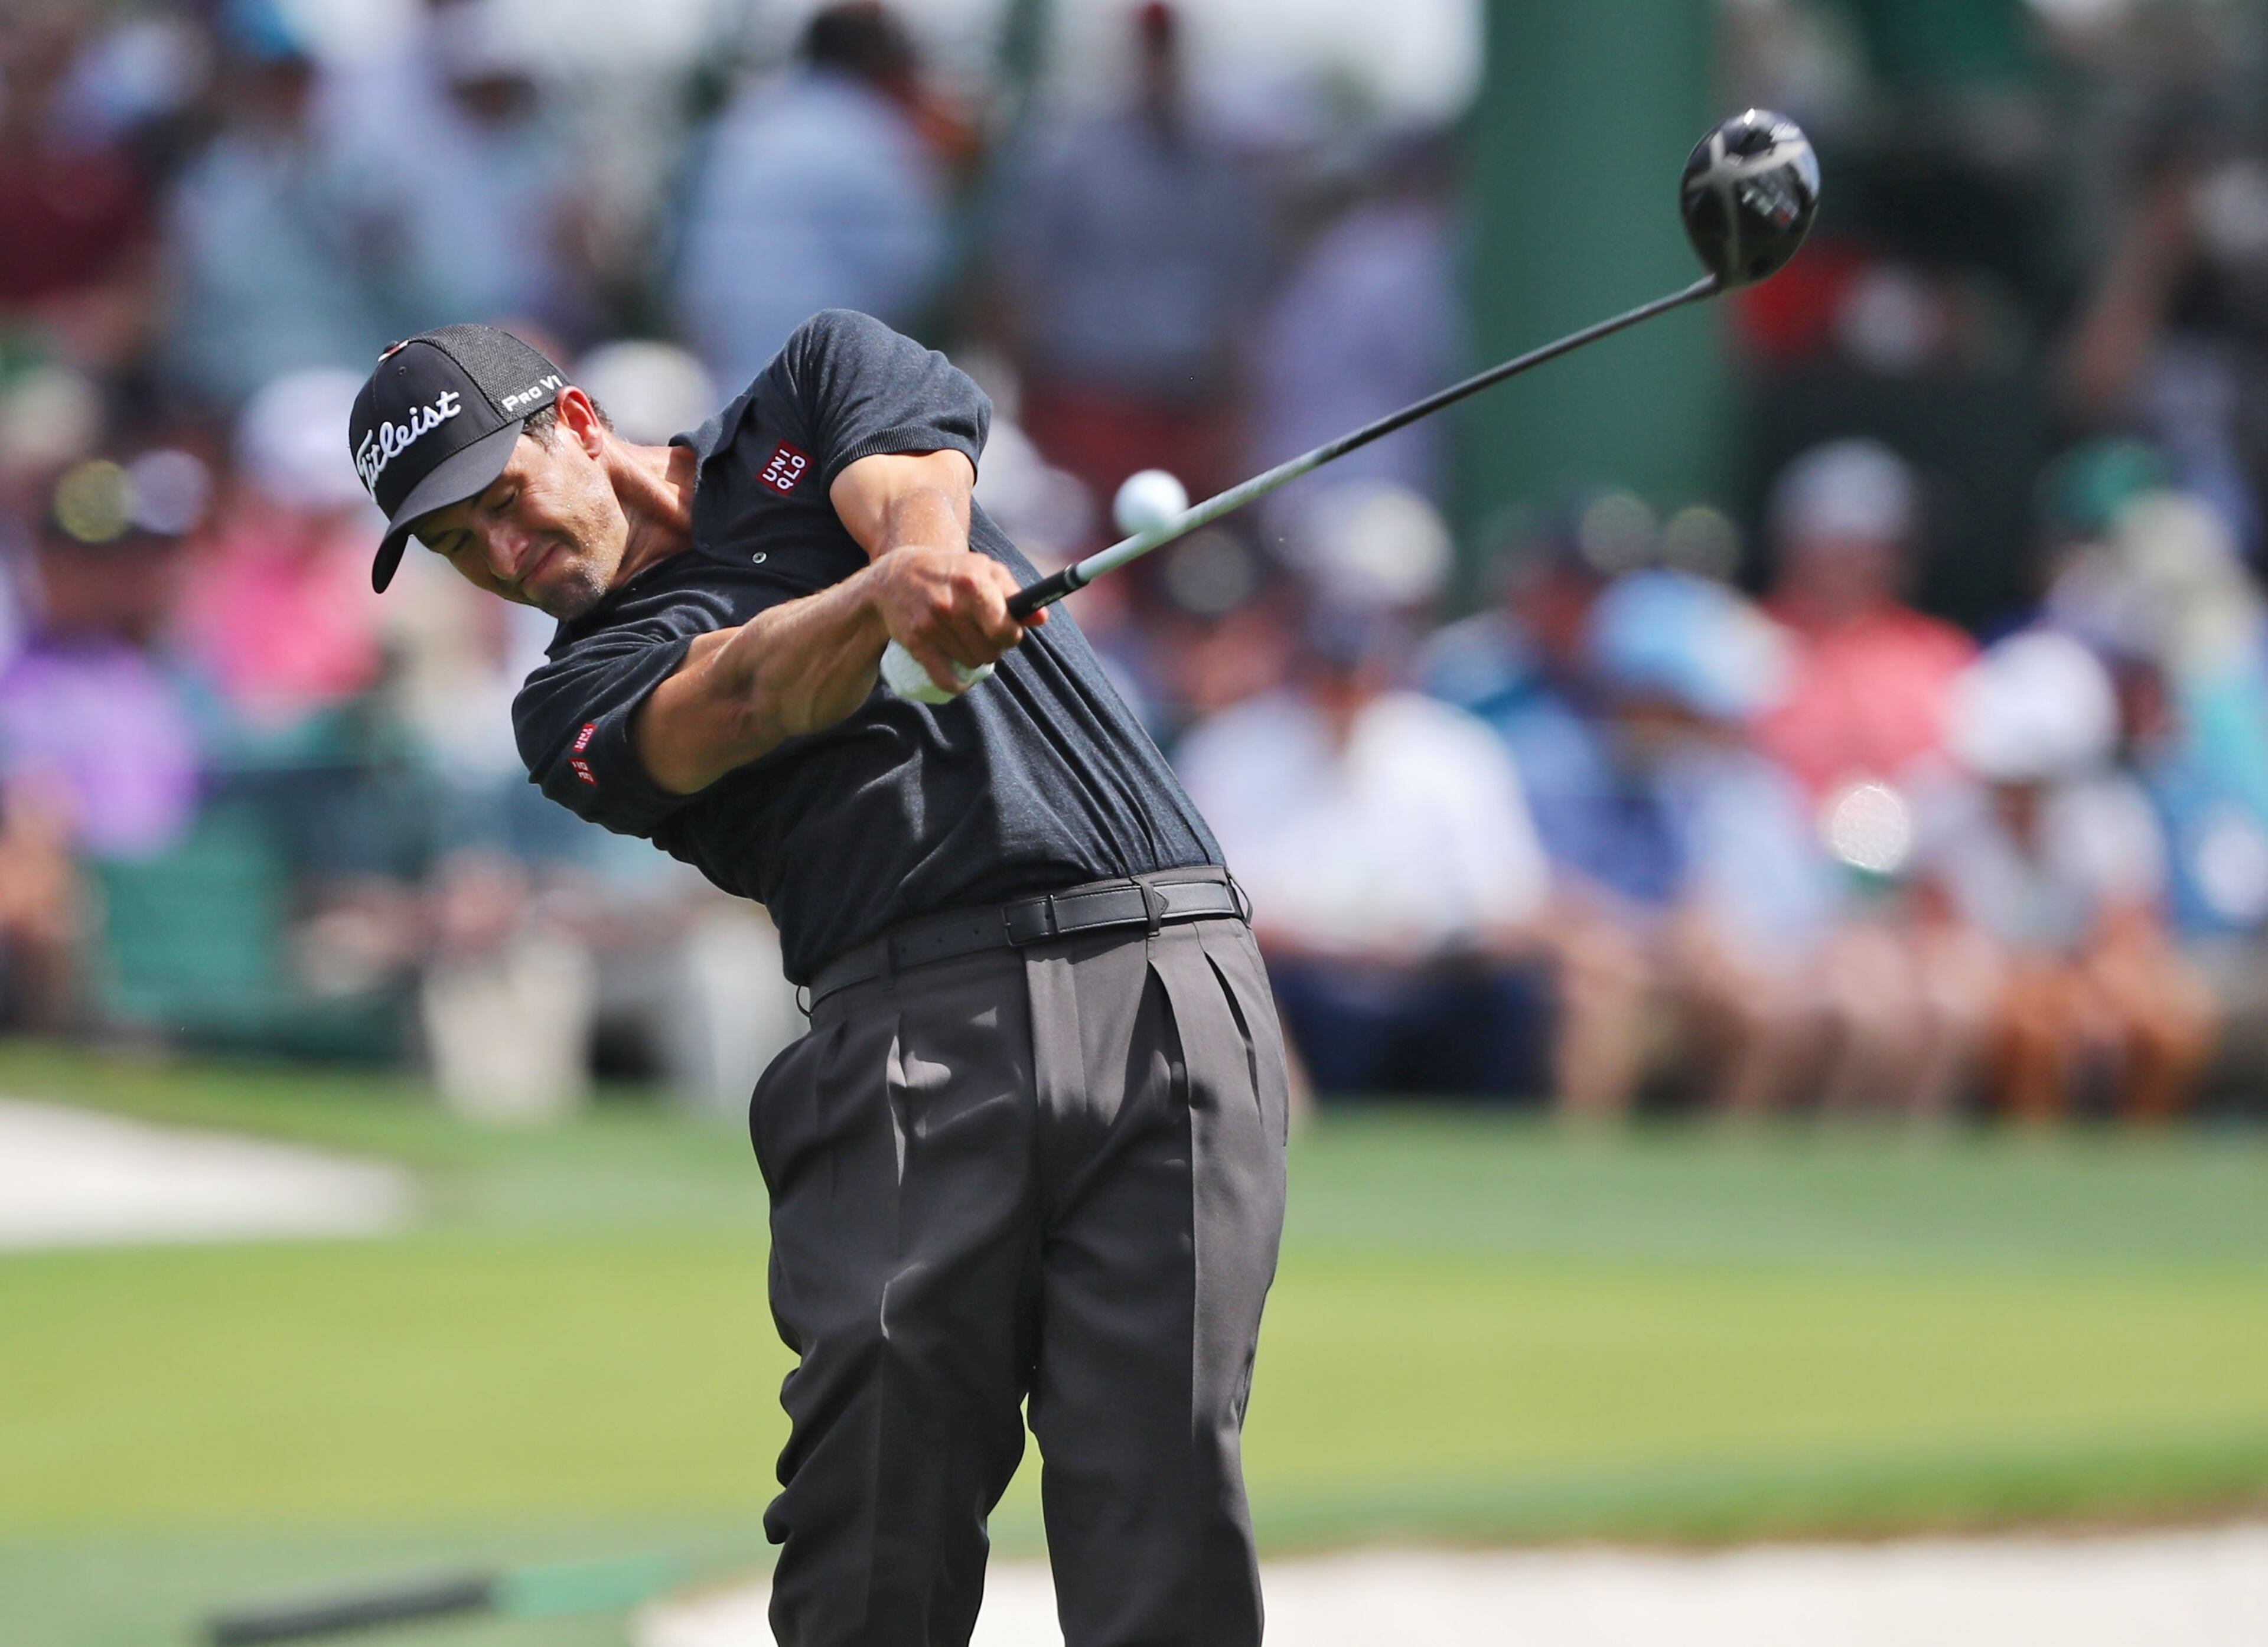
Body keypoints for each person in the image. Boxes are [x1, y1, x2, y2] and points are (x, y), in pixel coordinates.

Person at [346, 310, 1288, 1646]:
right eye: (456, 546)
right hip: (911, 1035)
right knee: (877, 1492)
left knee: (1164, 1477)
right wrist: (877, 604)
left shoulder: (816, 384)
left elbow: (910, 480)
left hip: (1169, 978)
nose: (504, 555)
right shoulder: (567, 705)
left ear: (571, 423)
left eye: (502, 501)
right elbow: (740, 697)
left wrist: (918, 562)